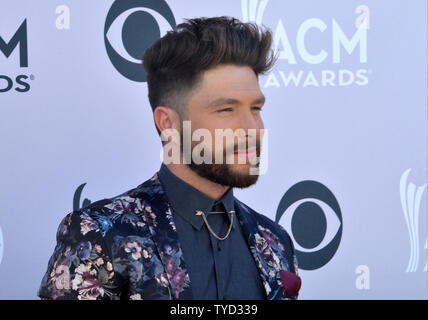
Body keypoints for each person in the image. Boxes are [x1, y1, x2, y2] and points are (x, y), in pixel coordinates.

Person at [38, 16, 301, 300]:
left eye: (256, 108)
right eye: (226, 109)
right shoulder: (100, 235)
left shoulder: (274, 242)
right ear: (168, 123)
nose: (252, 129)